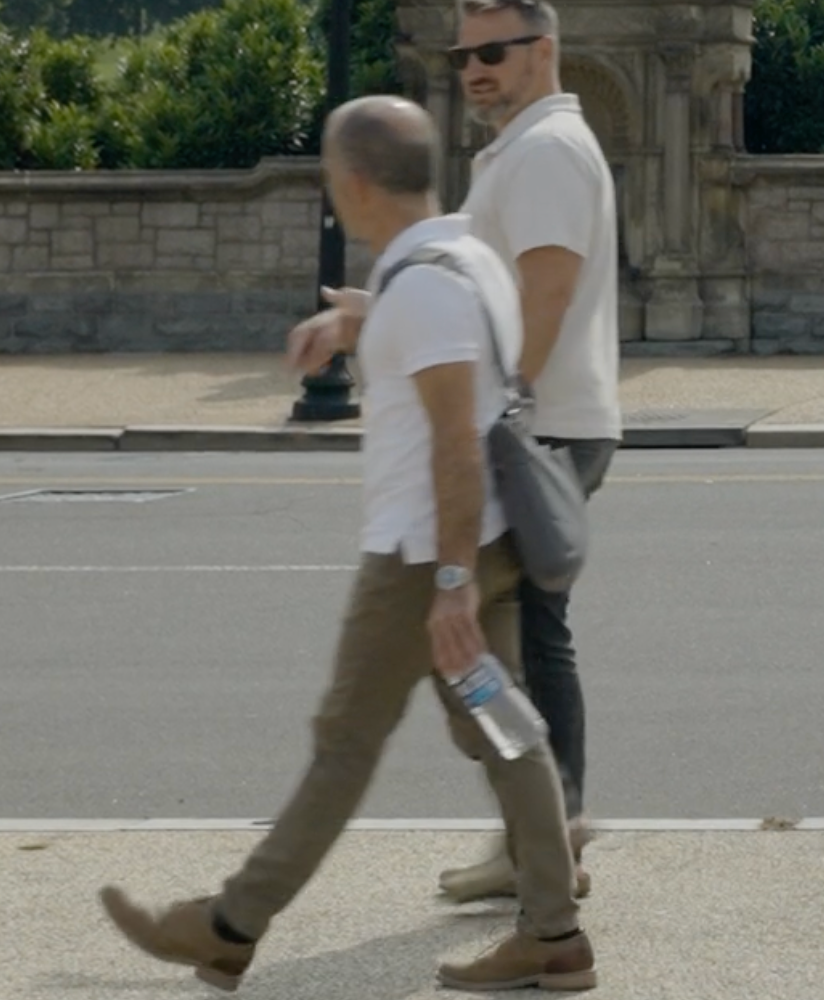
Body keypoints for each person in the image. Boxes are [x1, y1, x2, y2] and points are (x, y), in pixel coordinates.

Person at [96, 95, 592, 994]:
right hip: (486, 545)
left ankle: (228, 926)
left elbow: (452, 439)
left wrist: (445, 586)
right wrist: (356, 323)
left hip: (421, 563)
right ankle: (553, 934)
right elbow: (456, 351)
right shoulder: (465, 258)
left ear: (354, 185)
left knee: (345, 744)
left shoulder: (429, 287)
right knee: (507, 731)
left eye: (331, 180)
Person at [433, 0, 623, 906]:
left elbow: (544, 294)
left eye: (491, 52)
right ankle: (543, 834)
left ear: (541, 49)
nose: (473, 69)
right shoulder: (524, 149)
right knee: (524, 637)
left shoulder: (546, 151)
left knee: (504, 639)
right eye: (462, 56)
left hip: (538, 426)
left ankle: (548, 838)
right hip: (544, 422)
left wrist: (496, 411)